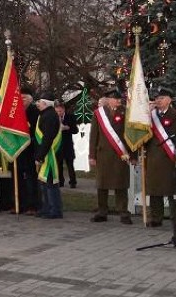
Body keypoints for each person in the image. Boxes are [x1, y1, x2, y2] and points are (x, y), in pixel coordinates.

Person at [145, 86, 176, 228]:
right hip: (154, 158)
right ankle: (156, 218)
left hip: (172, 159)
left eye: (162, 98)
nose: (158, 100)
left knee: (174, 191)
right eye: (157, 98)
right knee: (155, 190)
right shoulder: (150, 117)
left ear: (169, 100)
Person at [88, 89, 132, 224]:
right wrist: (92, 155)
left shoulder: (125, 112)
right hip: (103, 155)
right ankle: (102, 212)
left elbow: (130, 135)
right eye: (116, 98)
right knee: (102, 185)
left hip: (121, 155)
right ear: (108, 100)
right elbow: (93, 135)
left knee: (121, 185)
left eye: (119, 99)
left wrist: (133, 154)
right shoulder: (99, 114)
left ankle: (123, 212)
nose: (119, 101)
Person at [34, 92, 63, 219]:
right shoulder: (45, 115)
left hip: (48, 154)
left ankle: (54, 209)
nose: (37, 104)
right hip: (44, 153)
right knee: (44, 182)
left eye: (39, 101)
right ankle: (46, 208)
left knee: (50, 183)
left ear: (45, 103)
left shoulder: (49, 116)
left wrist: (40, 156)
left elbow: (47, 139)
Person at [17, 86, 40, 214]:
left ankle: (33, 205)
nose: (22, 100)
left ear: (30, 99)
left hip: (31, 149)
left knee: (31, 178)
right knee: (18, 178)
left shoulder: (35, 111)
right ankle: (20, 204)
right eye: (20, 98)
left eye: (25, 98)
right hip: (18, 149)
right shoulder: (16, 111)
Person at [54, 101, 79, 188]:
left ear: (64, 110)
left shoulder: (70, 117)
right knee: (59, 164)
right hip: (58, 145)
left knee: (70, 164)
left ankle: (73, 182)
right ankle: (60, 181)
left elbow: (75, 130)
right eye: (57, 111)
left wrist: (67, 128)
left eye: (60, 111)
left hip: (68, 145)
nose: (59, 113)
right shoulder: (53, 118)